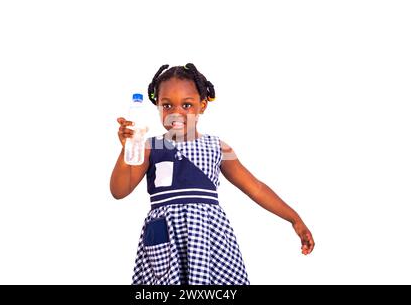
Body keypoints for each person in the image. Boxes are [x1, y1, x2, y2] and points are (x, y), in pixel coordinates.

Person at [110, 63, 315, 285]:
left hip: (208, 241)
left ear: (203, 106)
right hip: (165, 242)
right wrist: (126, 149)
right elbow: (119, 191)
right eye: (167, 105)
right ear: (157, 106)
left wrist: (294, 219)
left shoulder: (218, 148)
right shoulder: (149, 147)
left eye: (187, 105)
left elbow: (255, 188)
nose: (176, 113)